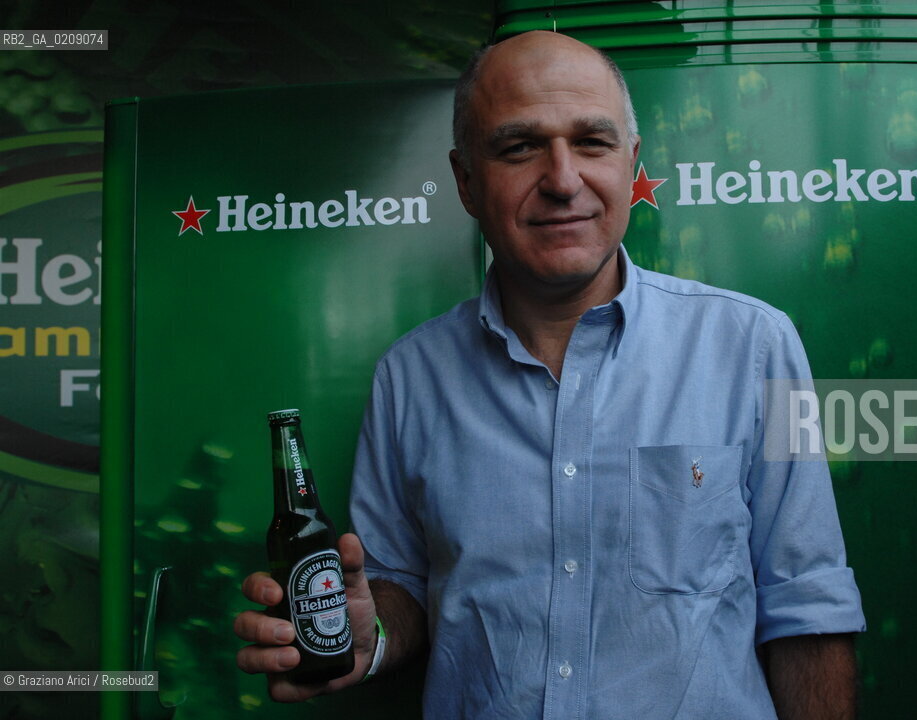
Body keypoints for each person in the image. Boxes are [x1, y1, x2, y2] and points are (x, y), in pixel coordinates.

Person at [235, 30, 865, 719]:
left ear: (631, 164)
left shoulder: (755, 346)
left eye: (591, 142)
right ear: (466, 180)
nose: (563, 180)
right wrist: (368, 637)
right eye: (519, 147)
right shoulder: (409, 377)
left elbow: (807, 605)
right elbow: (400, 589)